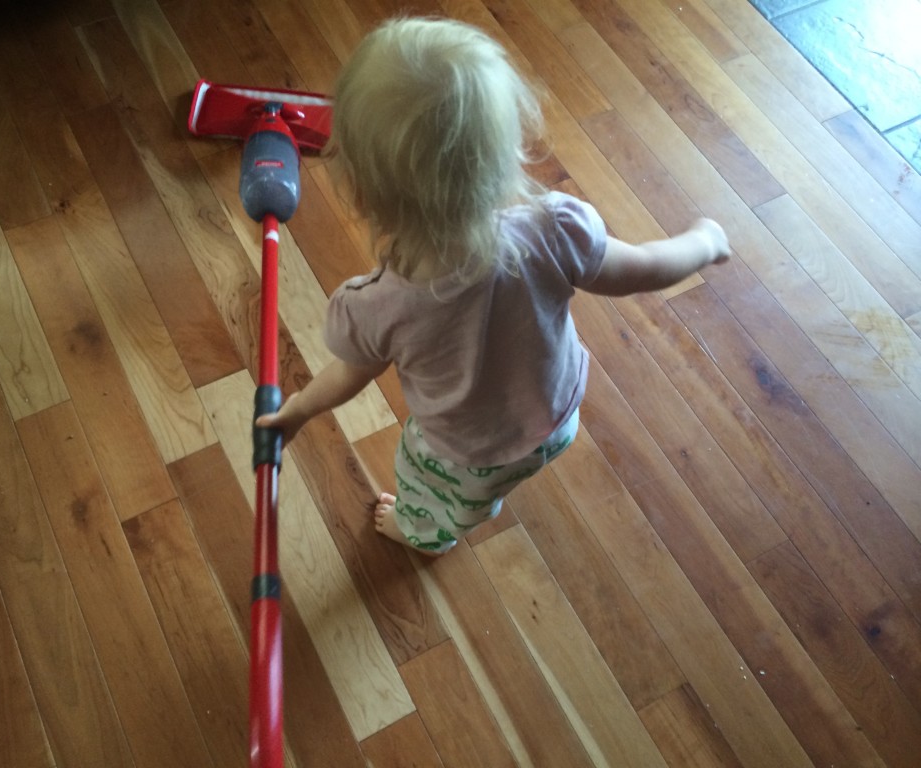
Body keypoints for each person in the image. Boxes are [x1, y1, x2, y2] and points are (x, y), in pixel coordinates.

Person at [255, 17, 730, 556]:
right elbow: (646, 266)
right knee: (490, 484)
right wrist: (704, 243)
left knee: (435, 490)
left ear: (362, 197)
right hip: (557, 414)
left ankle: (424, 530)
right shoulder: (555, 229)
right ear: (503, 156)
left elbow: (350, 375)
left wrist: (296, 410)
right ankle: (468, 504)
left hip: (464, 455)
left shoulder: (374, 306)